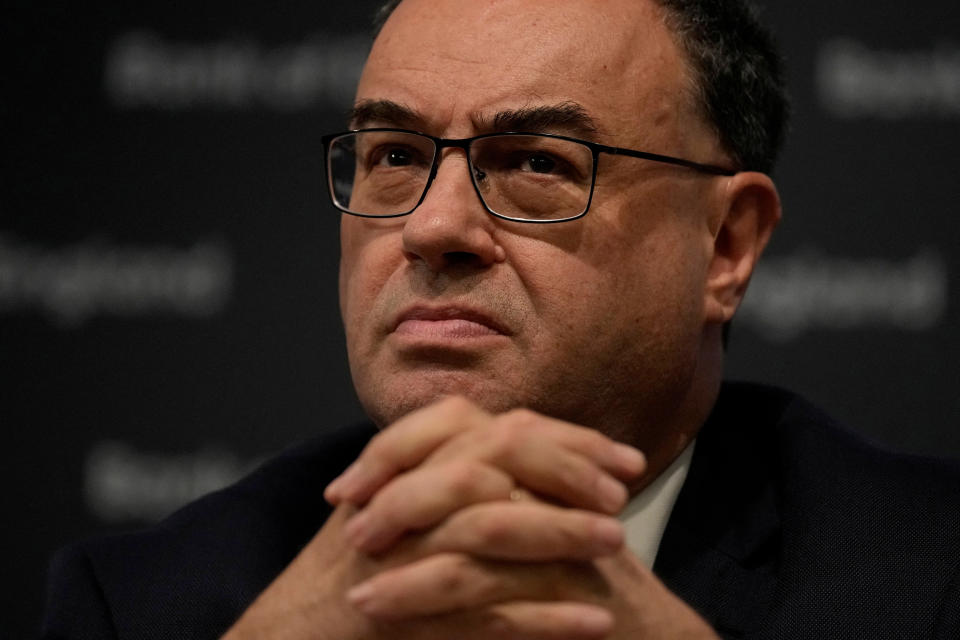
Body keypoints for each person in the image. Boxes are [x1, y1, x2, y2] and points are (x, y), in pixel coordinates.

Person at [43, 0, 960, 638]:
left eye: (537, 164)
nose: (431, 227)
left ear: (725, 247)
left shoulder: (923, 578)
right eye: (395, 154)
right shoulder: (149, 603)